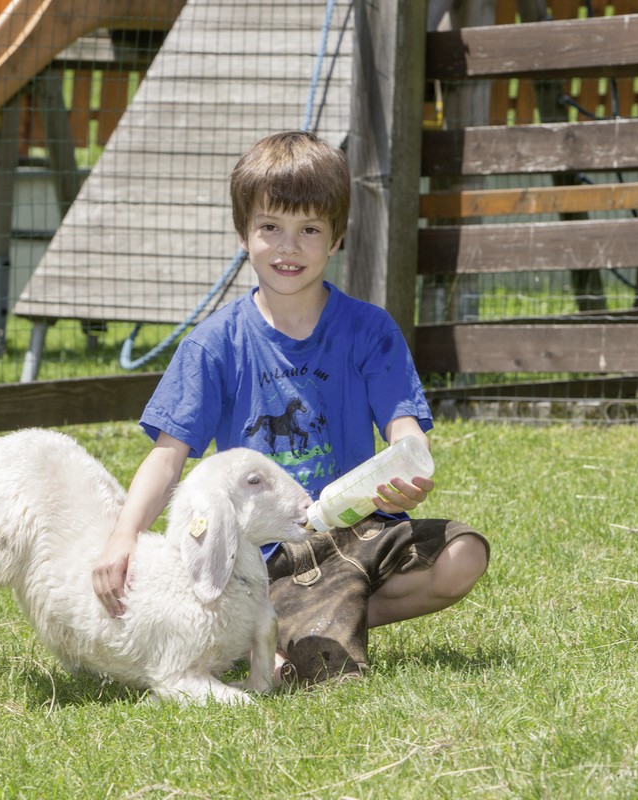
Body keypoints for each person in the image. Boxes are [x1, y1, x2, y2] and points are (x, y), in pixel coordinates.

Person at [92, 130, 489, 684]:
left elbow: (407, 429)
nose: (288, 247)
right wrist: (123, 536)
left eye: (309, 230)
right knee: (299, 673)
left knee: (463, 556)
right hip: (264, 553)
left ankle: (305, 619)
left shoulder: (369, 329)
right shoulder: (214, 343)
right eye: (270, 228)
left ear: (336, 238)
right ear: (243, 234)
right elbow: (167, 457)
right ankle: (286, 623)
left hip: (358, 531)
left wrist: (410, 467)